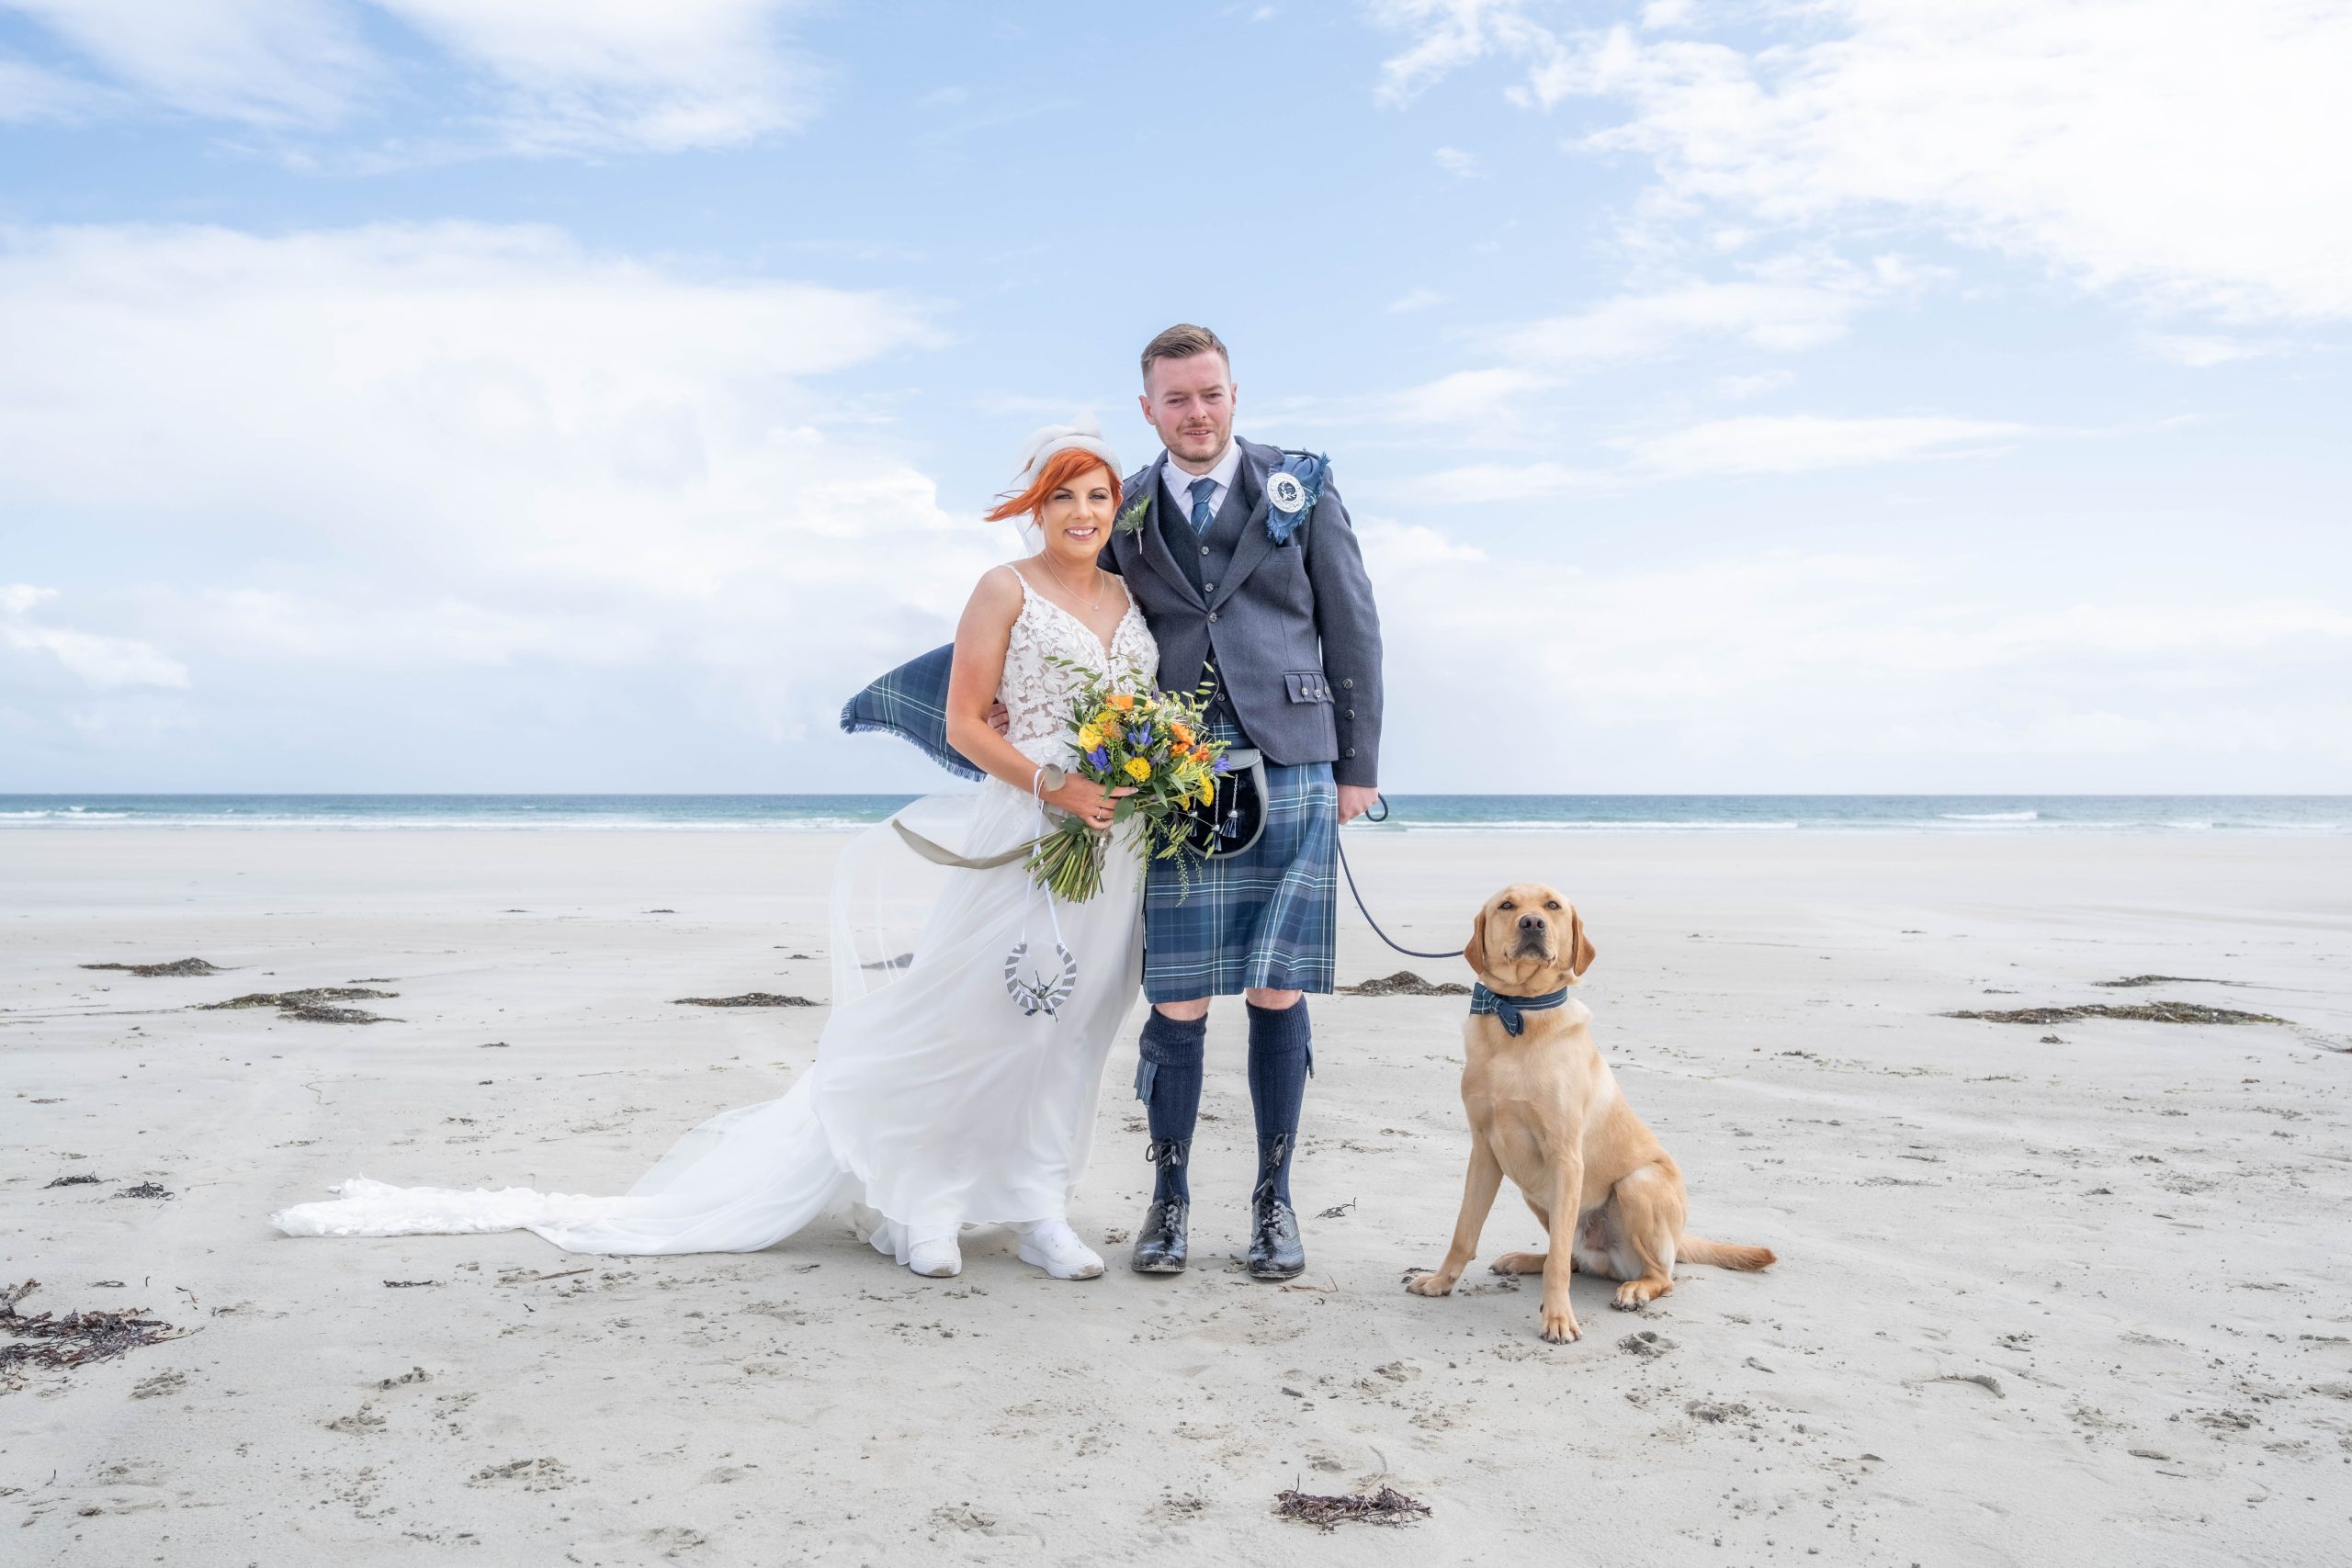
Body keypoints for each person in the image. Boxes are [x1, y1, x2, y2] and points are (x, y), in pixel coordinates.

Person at [271, 423, 1158, 1281]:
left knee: (1074, 1025)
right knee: (971, 1011)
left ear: (1116, 504)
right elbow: (965, 723)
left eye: (1097, 496)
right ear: (1035, 508)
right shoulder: (1003, 589)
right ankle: (922, 1201)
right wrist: (1055, 786)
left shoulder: (1128, 597)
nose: (1082, 513)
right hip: (1027, 828)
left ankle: (1038, 1206)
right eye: (1063, 497)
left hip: (1114, 842)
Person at [1105, 323, 1384, 1280]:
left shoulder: (1301, 485)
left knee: (1278, 985)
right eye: (1177, 399)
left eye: (1211, 393)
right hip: (1175, 772)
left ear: (1235, 394)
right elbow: (1095, 627)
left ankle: (1274, 1200)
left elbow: (1353, 625)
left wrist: (1358, 765)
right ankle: (1169, 1198)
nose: (1197, 413)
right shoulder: (1123, 506)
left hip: (1296, 757)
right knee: (1177, 994)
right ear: (1148, 409)